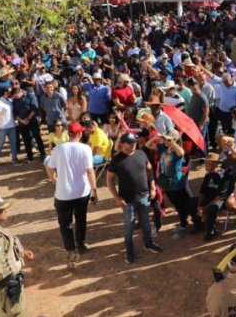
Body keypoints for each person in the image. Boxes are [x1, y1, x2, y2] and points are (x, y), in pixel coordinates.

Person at [45, 122, 96, 270]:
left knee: (65, 224)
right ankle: (80, 244)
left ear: (69, 134)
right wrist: (94, 190)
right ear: (80, 134)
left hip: (63, 194)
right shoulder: (86, 148)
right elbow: (90, 171)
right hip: (82, 192)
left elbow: (50, 168)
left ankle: (70, 249)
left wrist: (54, 180)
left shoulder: (58, 149)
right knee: (81, 219)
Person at [106, 132, 163, 264]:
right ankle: (129, 251)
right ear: (123, 144)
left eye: (134, 143)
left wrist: (153, 187)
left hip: (144, 196)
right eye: (130, 143)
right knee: (129, 227)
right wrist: (117, 198)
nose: (133, 145)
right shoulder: (117, 159)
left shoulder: (141, 154)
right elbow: (109, 181)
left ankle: (148, 243)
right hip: (127, 200)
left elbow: (150, 170)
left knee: (145, 223)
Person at [197, 152, 234, 241]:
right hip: (208, 198)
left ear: (215, 164)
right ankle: (198, 224)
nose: (205, 165)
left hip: (220, 200)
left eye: (207, 163)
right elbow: (202, 192)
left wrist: (204, 208)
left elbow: (220, 196)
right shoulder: (208, 175)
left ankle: (211, 232)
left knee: (212, 208)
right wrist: (199, 205)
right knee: (191, 202)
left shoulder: (223, 176)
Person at [12, 86, 46, 162]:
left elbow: (34, 109)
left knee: (37, 137)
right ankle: (29, 156)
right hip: (22, 122)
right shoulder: (14, 100)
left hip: (32, 120)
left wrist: (28, 119)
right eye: (14, 96)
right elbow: (14, 113)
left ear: (20, 92)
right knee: (26, 139)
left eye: (16, 95)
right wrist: (22, 121)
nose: (15, 97)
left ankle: (42, 154)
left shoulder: (30, 96)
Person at [0, 87, 19, 168]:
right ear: (5, 92)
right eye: (10, 91)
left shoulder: (10, 101)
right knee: (0, 144)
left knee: (13, 143)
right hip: (3, 127)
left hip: (12, 126)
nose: (11, 92)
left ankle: (14, 158)